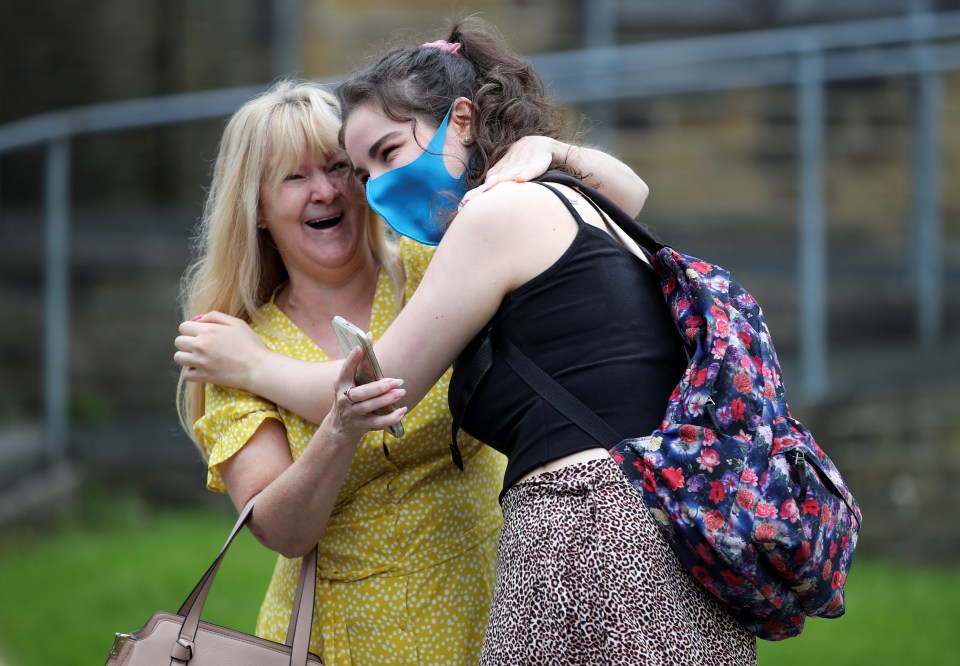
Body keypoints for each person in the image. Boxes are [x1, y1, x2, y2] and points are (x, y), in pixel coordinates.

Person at [174, 76, 653, 666]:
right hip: (350, 637)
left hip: (504, 599)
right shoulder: (235, 347)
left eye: (340, 168)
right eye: (295, 178)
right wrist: (338, 431)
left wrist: (549, 152)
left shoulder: (436, 262)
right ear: (260, 211)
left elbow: (614, 206)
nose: (325, 191)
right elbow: (281, 530)